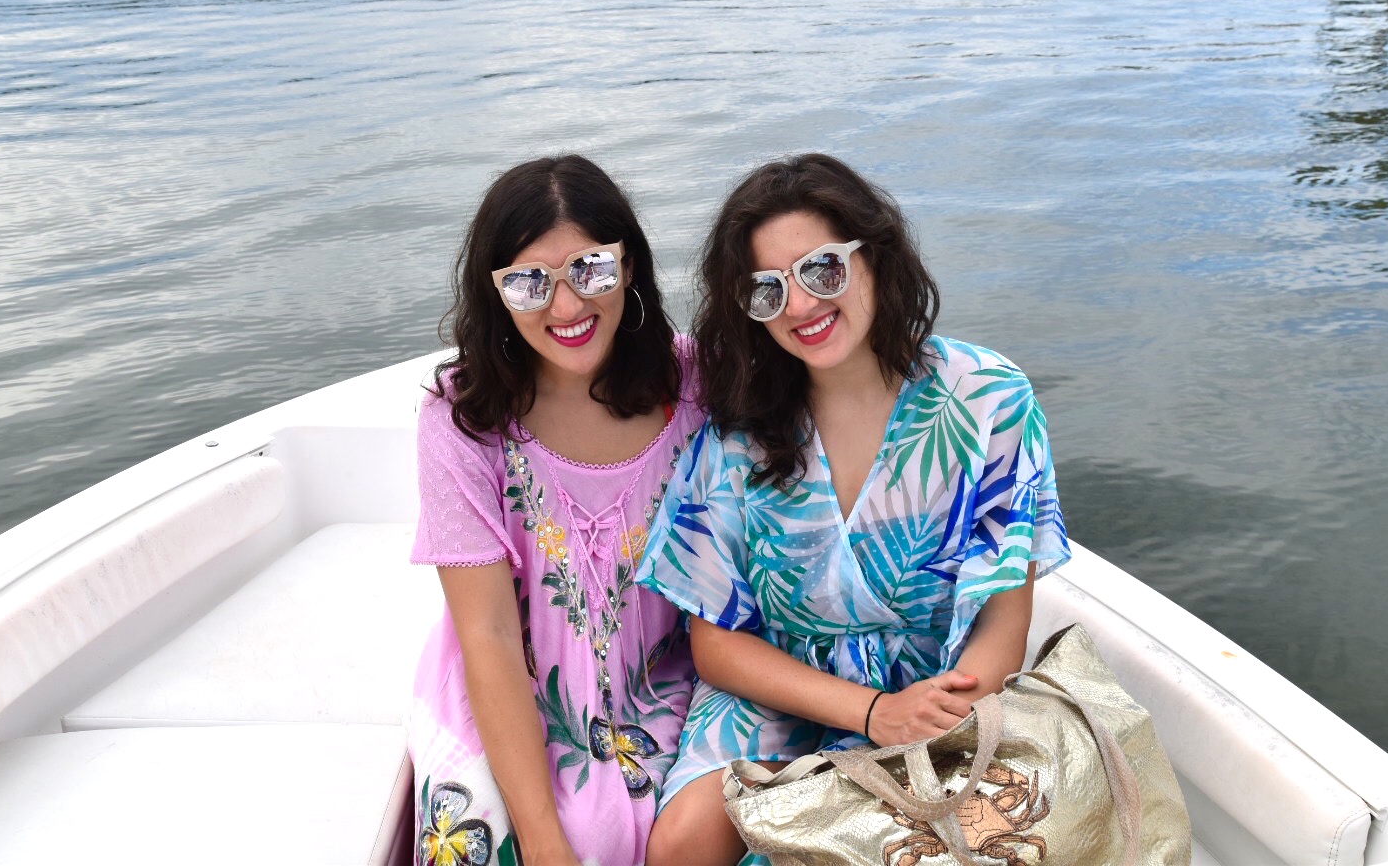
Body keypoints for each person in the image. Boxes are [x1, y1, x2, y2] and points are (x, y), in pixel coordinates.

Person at [636, 153, 1072, 866]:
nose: (801, 305)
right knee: (683, 841)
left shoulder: (990, 402)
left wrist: (937, 722)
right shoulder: (739, 436)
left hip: (940, 693)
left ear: (875, 258)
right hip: (785, 689)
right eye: (767, 290)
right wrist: (868, 713)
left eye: (822, 270)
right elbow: (716, 643)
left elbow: (1002, 617)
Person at [409, 154, 704, 866]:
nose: (567, 306)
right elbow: (488, 637)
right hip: (510, 694)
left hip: (668, 682)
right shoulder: (463, 421)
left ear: (629, 265)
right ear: (496, 293)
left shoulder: (696, 383)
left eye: (590, 269)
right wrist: (542, 841)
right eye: (528, 282)